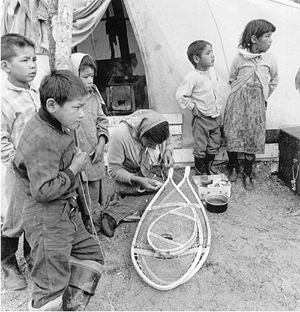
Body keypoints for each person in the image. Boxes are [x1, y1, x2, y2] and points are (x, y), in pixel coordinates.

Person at [13, 70, 105, 311]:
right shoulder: (43, 138)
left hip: (65, 210)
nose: (83, 114)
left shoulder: (55, 120)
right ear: (52, 105)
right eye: (76, 108)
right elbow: (43, 190)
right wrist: (74, 169)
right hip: (46, 216)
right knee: (51, 286)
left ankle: (69, 305)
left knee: (91, 256)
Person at [1, 33, 40, 291]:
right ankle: (7, 264)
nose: (33, 65)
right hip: (18, 171)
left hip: (41, 169)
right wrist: (17, 164)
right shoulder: (4, 99)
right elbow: (2, 140)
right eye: (25, 60)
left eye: (35, 59)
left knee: (36, 218)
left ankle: (31, 259)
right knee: (15, 220)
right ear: (6, 66)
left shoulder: (36, 92)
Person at [96, 109, 175, 238]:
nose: (154, 147)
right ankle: (111, 215)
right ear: (142, 133)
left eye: (157, 145)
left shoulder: (160, 125)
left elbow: (169, 142)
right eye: (150, 144)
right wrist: (139, 180)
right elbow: (113, 170)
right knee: (160, 195)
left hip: (150, 170)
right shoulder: (120, 135)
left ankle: (120, 205)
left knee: (166, 190)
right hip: (130, 175)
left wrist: (168, 152)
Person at [223, 19, 279, 190]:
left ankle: (248, 174)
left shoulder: (269, 59)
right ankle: (233, 167)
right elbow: (232, 79)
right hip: (237, 105)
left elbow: (274, 81)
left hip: (257, 107)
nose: (271, 40)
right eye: (267, 36)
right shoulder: (240, 59)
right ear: (254, 39)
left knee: (252, 138)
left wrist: (263, 97)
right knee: (233, 135)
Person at [70, 53, 109, 233]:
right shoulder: (67, 99)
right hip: (74, 156)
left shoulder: (93, 97)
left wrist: (101, 145)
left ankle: (91, 218)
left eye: (91, 76)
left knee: (92, 189)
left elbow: (102, 121)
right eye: (84, 76)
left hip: (93, 153)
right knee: (76, 192)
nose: (89, 80)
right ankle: (80, 222)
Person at [176, 40, 223, 175]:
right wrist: (192, 107)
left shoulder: (212, 72)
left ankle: (208, 167)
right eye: (208, 53)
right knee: (200, 146)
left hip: (215, 116)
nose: (213, 56)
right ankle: (200, 170)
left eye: (212, 52)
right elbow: (181, 95)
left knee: (214, 144)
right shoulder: (192, 77)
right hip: (201, 118)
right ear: (197, 59)